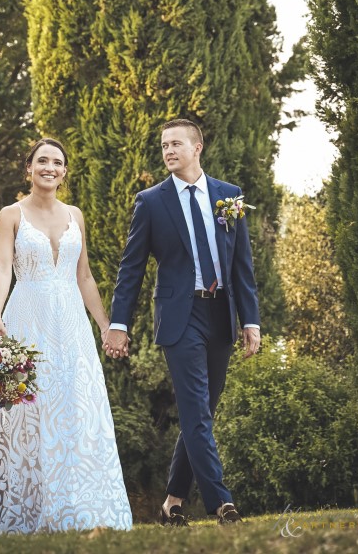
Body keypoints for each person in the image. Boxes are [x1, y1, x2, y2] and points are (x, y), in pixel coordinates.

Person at [0, 138, 132, 535]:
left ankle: (81, 510)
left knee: (76, 410)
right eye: (43, 160)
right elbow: (2, 269)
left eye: (58, 162)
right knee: (25, 415)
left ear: (64, 172)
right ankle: (20, 509)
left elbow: (85, 276)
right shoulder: (11, 214)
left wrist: (105, 324)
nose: (50, 168)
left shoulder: (76, 214)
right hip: (28, 317)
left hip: (71, 324)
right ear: (29, 168)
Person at [103, 119, 260, 527]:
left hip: (221, 314)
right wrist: (118, 322)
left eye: (176, 143)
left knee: (202, 411)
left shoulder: (229, 196)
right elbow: (131, 267)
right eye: (163, 145)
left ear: (197, 148)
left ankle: (173, 499)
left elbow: (242, 265)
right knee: (195, 409)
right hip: (180, 316)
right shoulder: (151, 202)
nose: (168, 150)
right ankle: (221, 502)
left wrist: (251, 320)